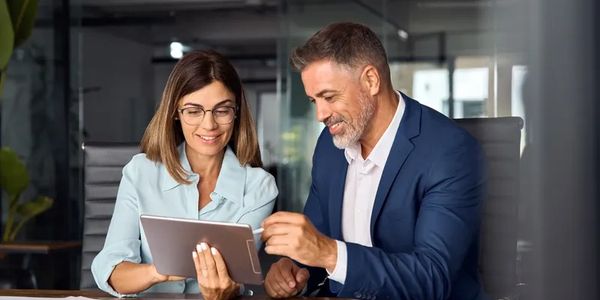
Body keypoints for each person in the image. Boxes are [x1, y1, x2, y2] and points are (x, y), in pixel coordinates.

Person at [261, 22, 486, 300]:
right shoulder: (330, 147)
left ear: (371, 80)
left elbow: (432, 277)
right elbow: (317, 242)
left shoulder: (449, 151)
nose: (320, 114)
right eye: (313, 100)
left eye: (329, 97)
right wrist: (293, 270)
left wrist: (329, 254)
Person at [91, 50, 278, 300]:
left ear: (236, 113)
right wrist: (160, 271)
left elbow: (235, 280)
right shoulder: (140, 173)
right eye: (193, 111)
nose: (209, 125)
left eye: (222, 110)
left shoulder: (259, 188)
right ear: (175, 113)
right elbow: (112, 271)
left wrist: (227, 291)